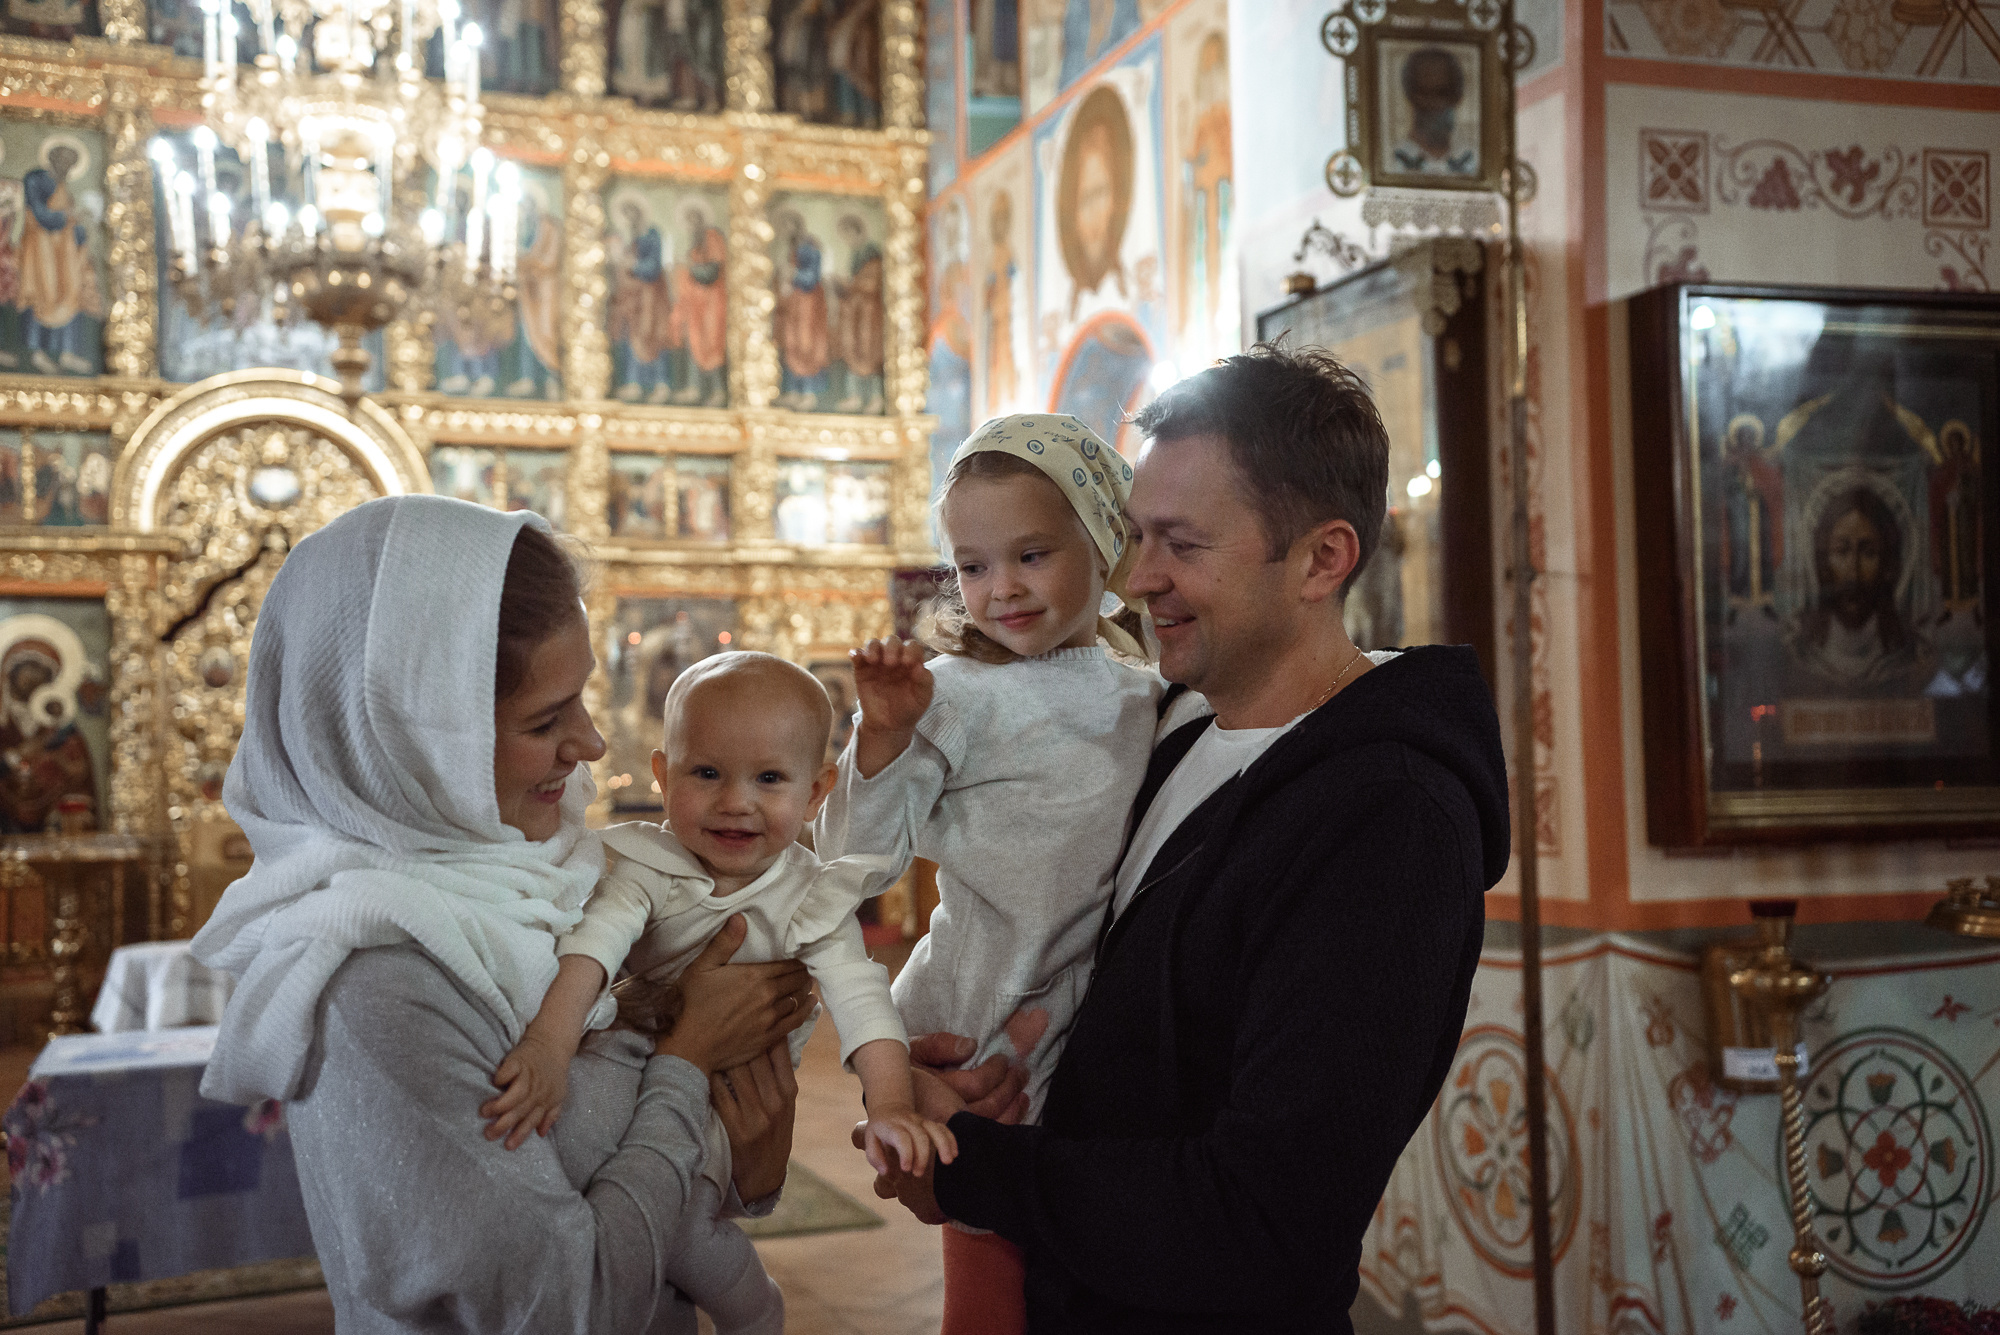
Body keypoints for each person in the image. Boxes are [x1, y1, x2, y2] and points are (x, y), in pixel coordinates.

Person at [869, 345, 1510, 1333]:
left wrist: (975, 1170)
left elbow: (1263, 1220)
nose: (1138, 576)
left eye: (1181, 544)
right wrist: (984, 1076)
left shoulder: (1390, 820)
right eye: (1132, 536)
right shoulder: (1168, 723)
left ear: (1320, 558)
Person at [191, 496, 818, 1332]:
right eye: (544, 719)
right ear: (416, 740)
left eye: (581, 699)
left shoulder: (546, 873)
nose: (593, 744)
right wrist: (689, 1059)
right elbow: (568, 1306)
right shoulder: (380, 982)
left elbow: (686, 1185)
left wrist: (754, 1157)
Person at [483, 650, 956, 1332]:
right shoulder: (647, 865)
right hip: (624, 1052)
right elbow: (593, 949)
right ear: (662, 773)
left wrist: (890, 1104)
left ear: (817, 791)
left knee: (679, 1222)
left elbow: (862, 999)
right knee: (563, 1150)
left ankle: (754, 1310)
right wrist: (548, 1048)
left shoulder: (810, 896)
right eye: (706, 773)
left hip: (734, 1094)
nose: (736, 801)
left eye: (769, 778)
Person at [815, 413, 1161, 1335]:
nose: (999, 589)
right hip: (980, 1005)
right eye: (972, 566)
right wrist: (882, 739)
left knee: (1073, 1254)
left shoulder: (1152, 690)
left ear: (1105, 541)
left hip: (1081, 1000)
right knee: (992, 1259)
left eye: (1032, 555)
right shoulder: (956, 692)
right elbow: (856, 857)